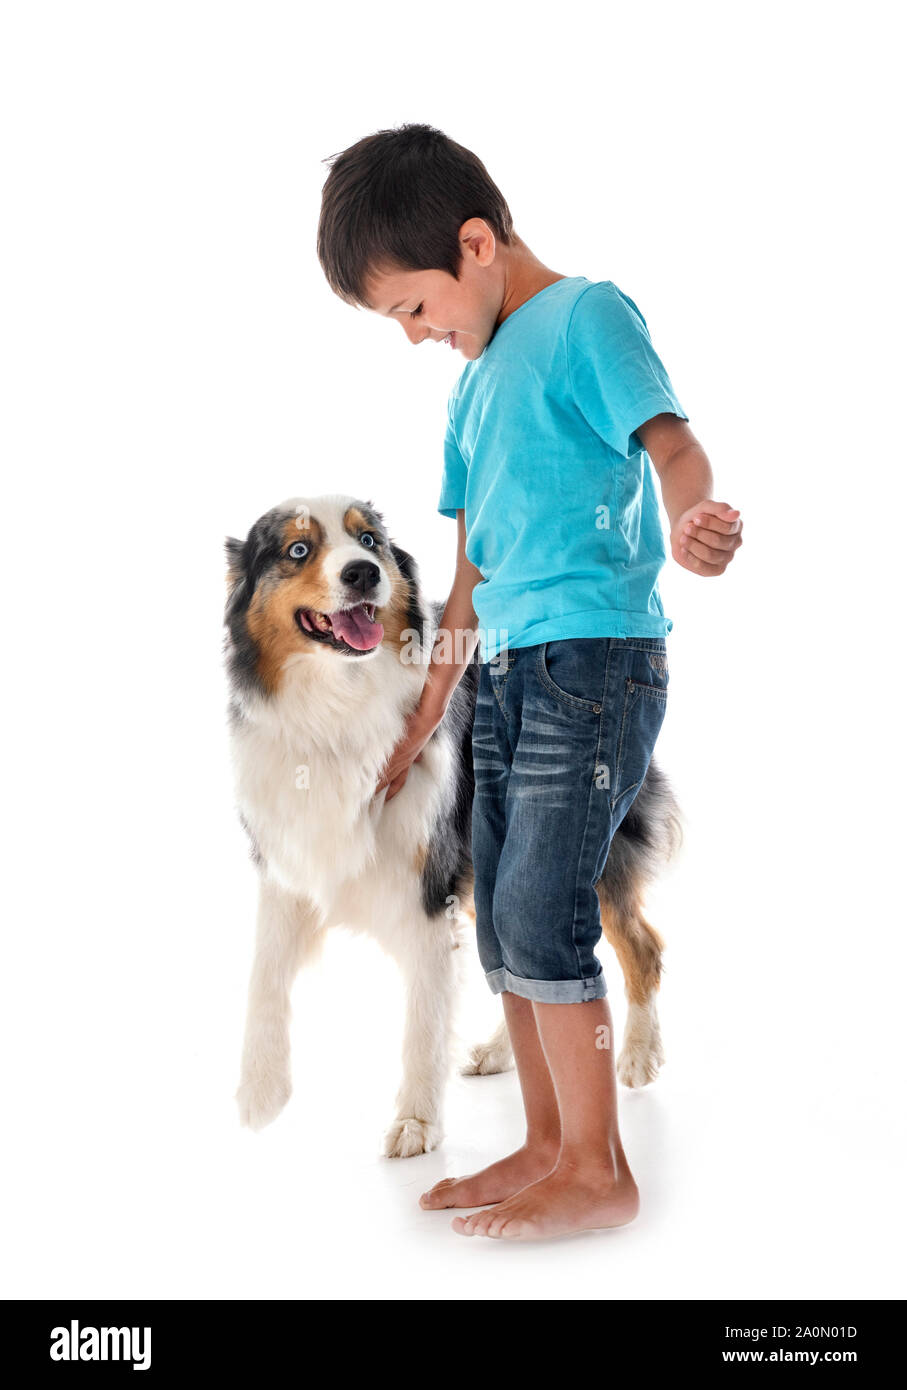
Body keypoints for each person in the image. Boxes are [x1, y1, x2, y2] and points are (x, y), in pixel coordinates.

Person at [317, 123, 743, 1239]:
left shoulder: (585, 319)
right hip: (504, 672)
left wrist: (694, 512)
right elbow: (468, 583)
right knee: (504, 917)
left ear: (473, 243)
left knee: (549, 910)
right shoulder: (468, 389)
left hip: (591, 660)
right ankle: (549, 1144)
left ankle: (599, 1168)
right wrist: (417, 728)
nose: (414, 337)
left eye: (413, 308)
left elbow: (671, 445)